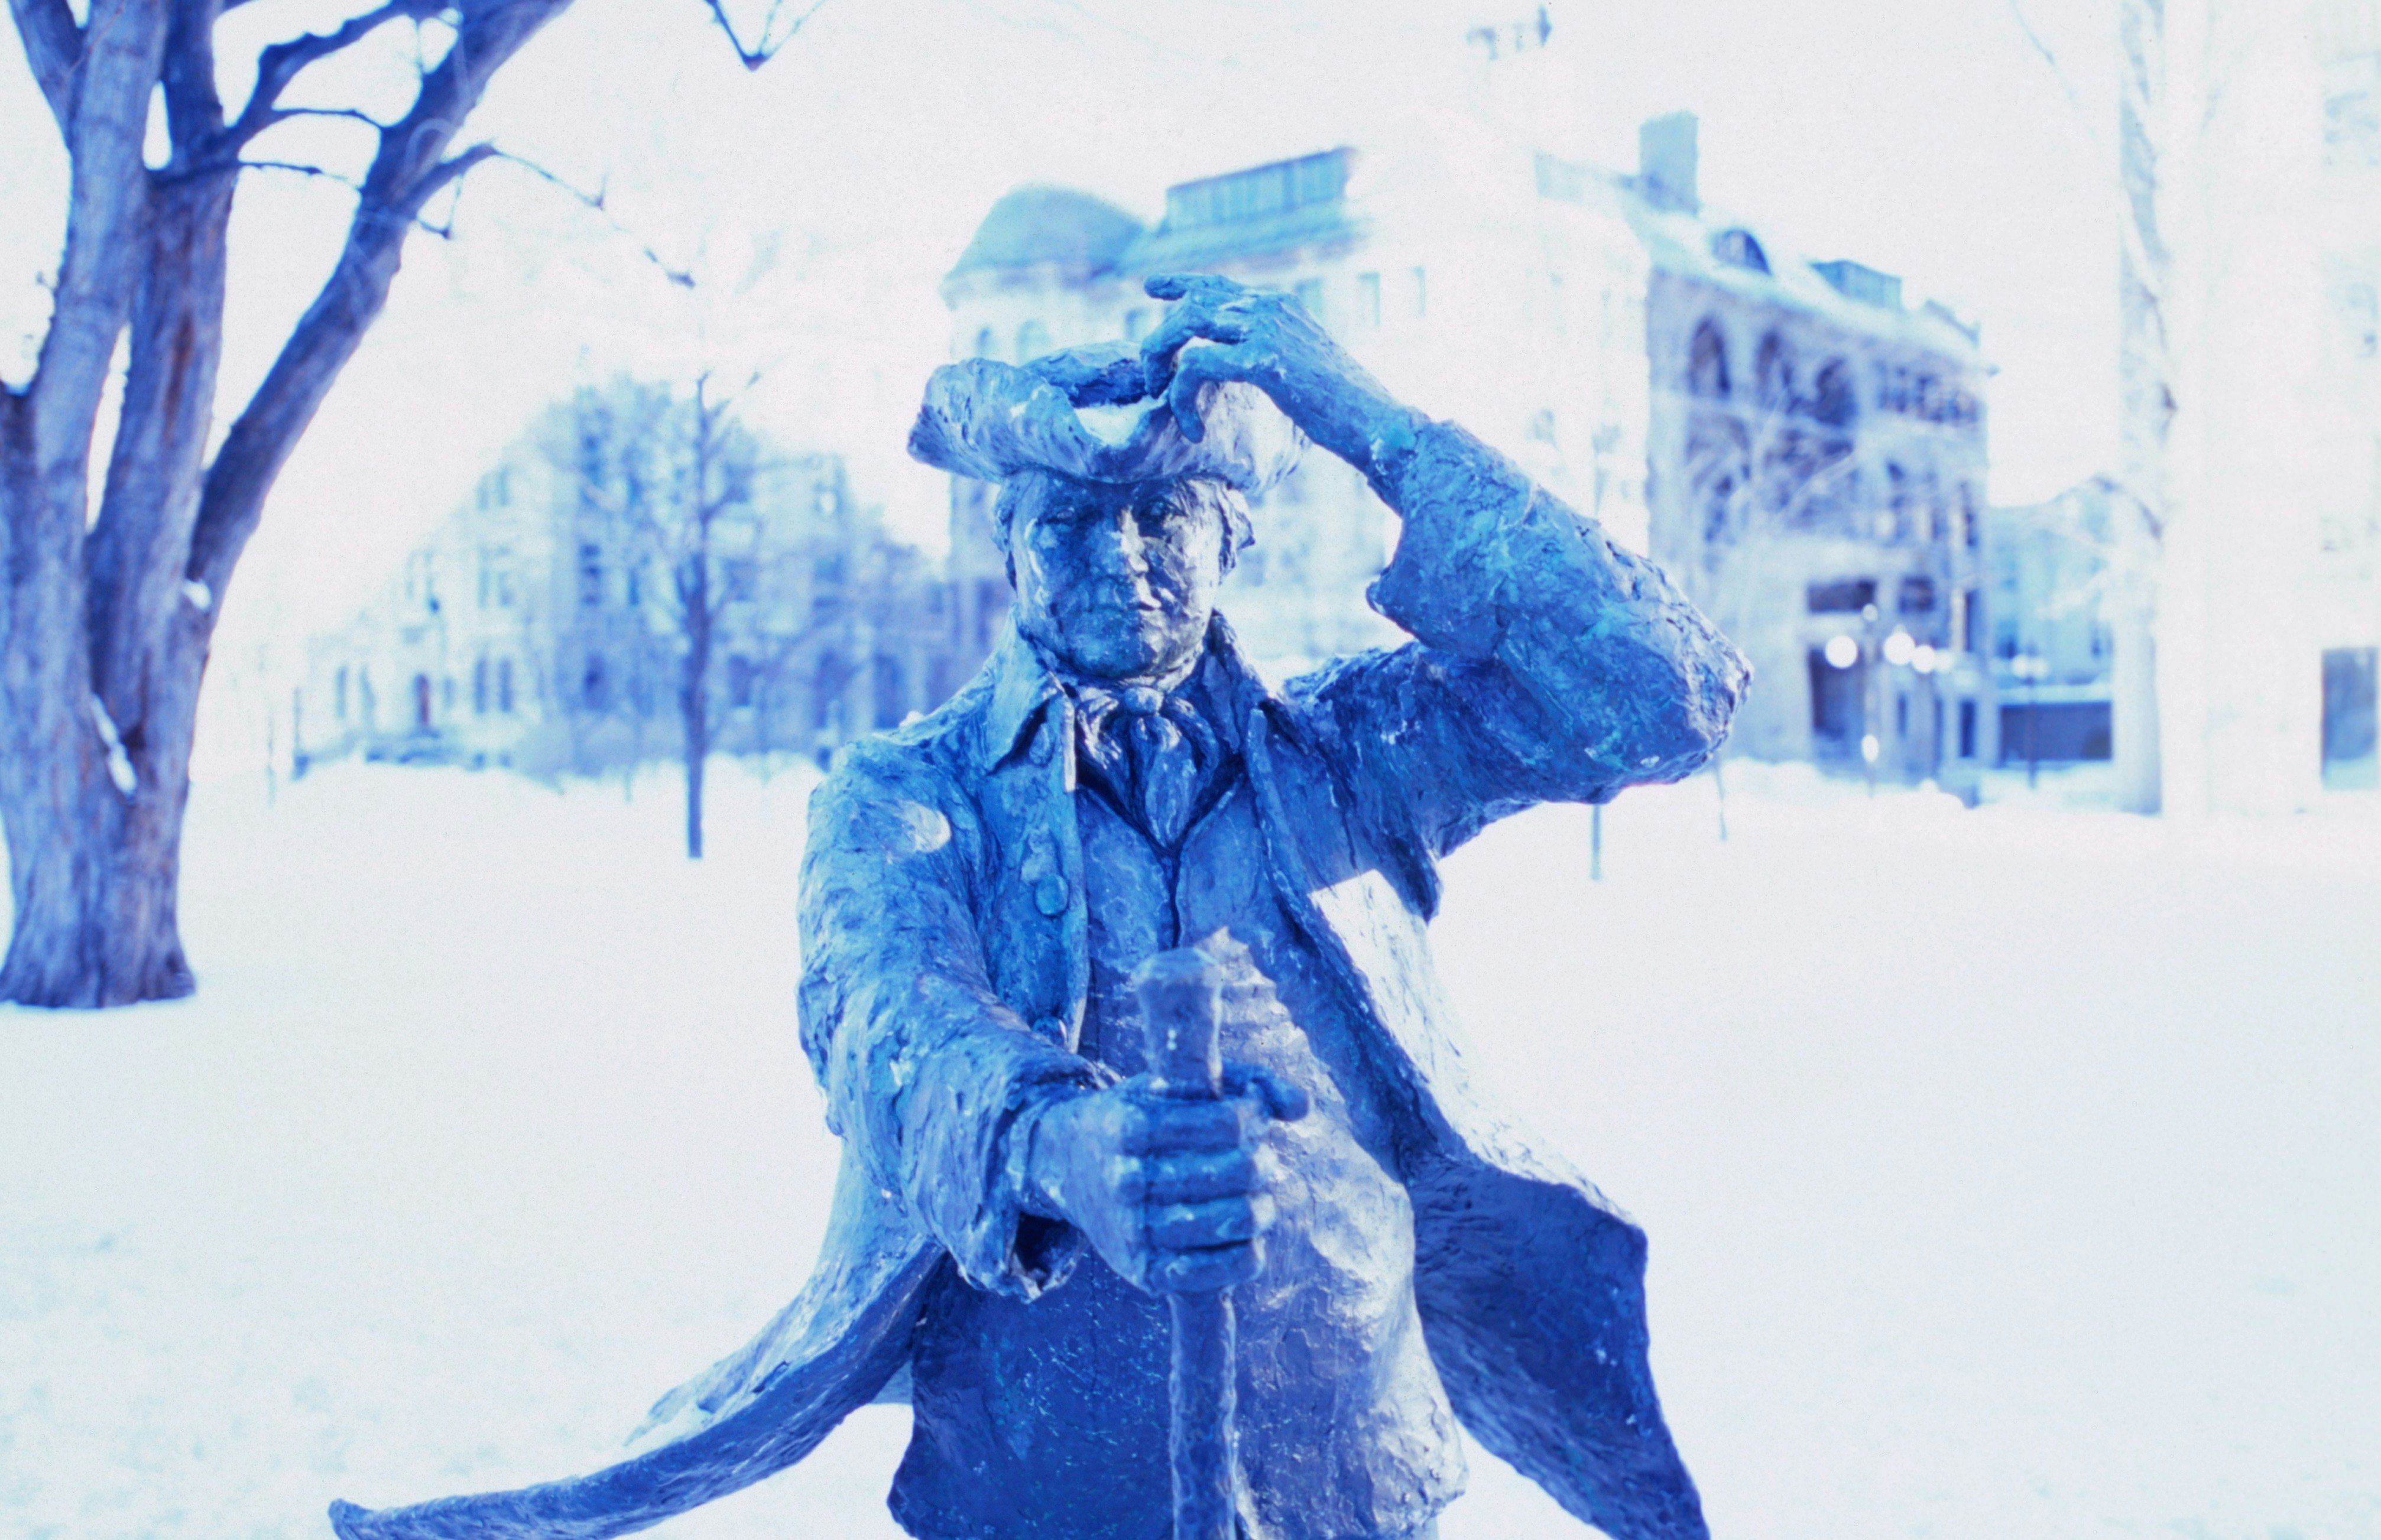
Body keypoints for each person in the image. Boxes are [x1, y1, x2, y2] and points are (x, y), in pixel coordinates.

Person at [330, 273, 1749, 1540]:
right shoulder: (908, 794)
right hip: (1041, 1479)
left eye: (1166, 515)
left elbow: (1666, 696)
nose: (1123, 555)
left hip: (1351, 1469)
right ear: (1006, 548)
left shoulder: (1353, 758)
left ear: (1234, 537)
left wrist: (1373, 427)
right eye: (1071, 521)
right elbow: (887, 1020)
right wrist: (1062, 1141)